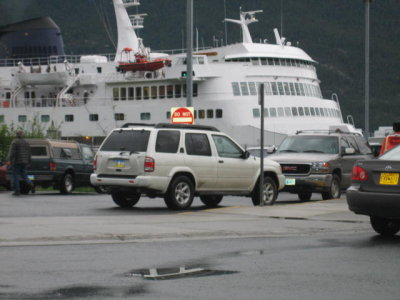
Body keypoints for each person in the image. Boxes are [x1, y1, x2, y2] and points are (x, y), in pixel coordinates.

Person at [7, 130, 34, 195]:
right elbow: (29, 153)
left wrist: (9, 160)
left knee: (15, 176)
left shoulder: (15, 142)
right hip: (25, 162)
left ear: (16, 135)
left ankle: (17, 191)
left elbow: (12, 153)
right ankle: (31, 185)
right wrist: (29, 161)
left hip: (17, 161)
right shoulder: (26, 142)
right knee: (24, 175)